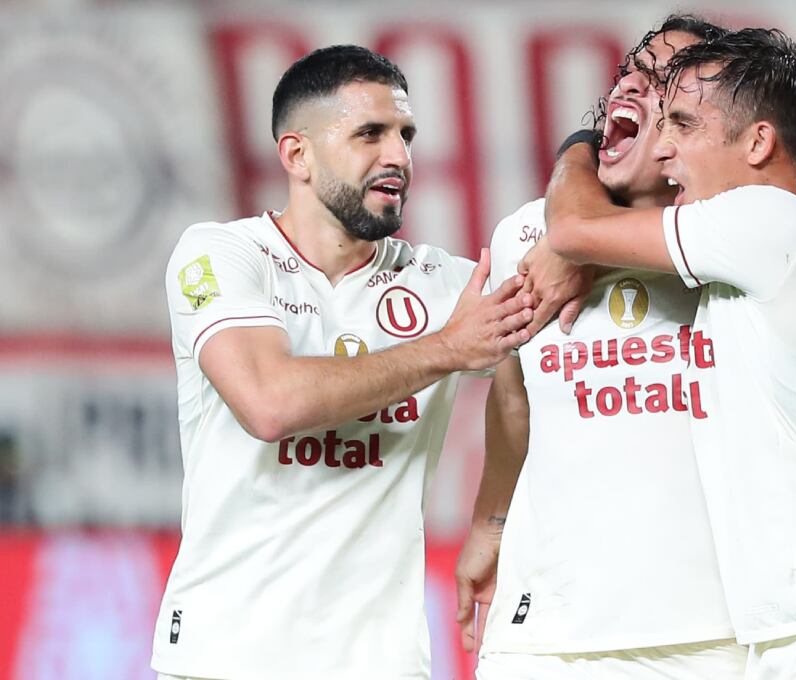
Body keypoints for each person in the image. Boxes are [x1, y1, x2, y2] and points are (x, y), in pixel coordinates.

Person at [465, 20, 796, 680]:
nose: (667, 137)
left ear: (755, 139)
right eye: (635, 73)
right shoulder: (795, 233)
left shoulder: (760, 226)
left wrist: (574, 170)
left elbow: (580, 226)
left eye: (682, 116)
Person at [152, 45, 533, 680]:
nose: (399, 157)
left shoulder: (444, 285)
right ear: (297, 155)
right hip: (223, 658)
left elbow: (529, 368)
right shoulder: (220, 256)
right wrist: (447, 349)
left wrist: (492, 525)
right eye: (370, 134)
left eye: (406, 135)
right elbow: (269, 403)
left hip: (380, 663)